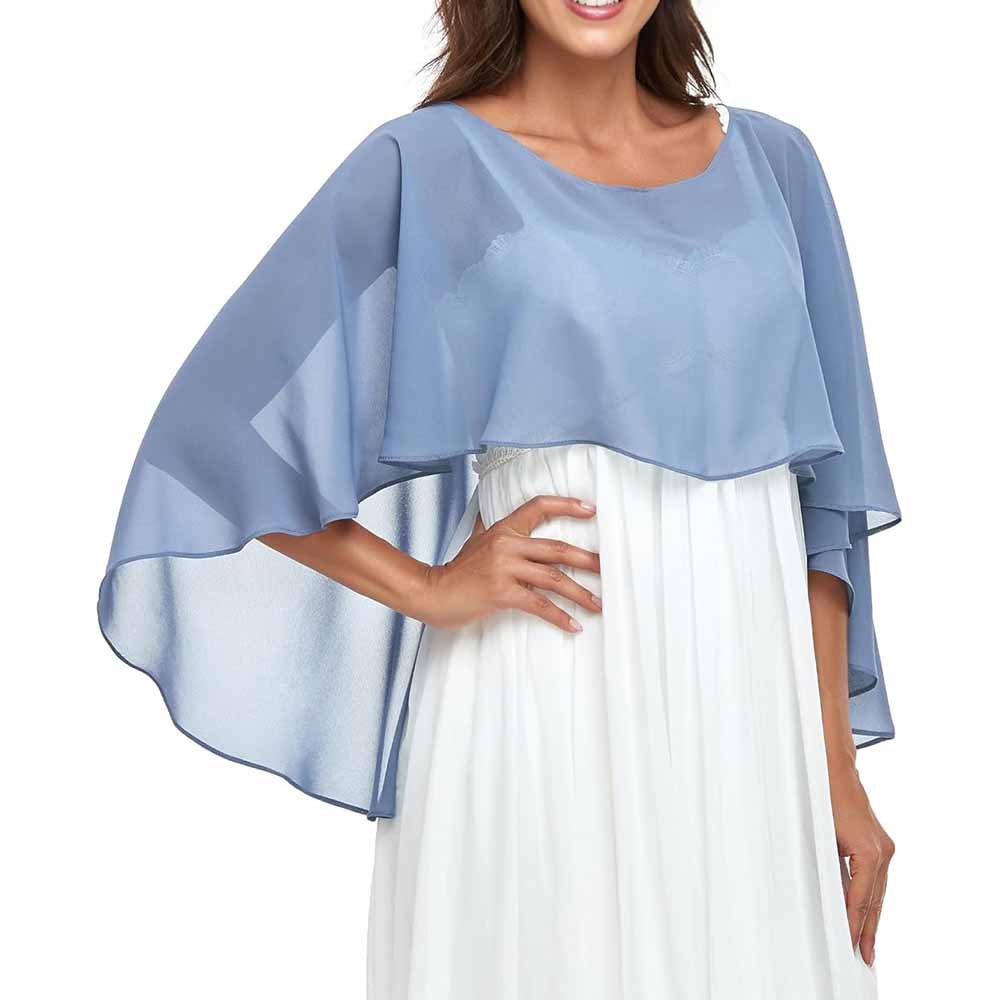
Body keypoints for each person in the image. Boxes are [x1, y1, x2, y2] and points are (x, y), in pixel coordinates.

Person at [97, 1, 901, 997]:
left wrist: (837, 769)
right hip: (541, 686)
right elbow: (216, 435)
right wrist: (428, 588)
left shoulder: (775, 165)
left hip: (749, 716)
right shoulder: (431, 163)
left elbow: (827, 504)